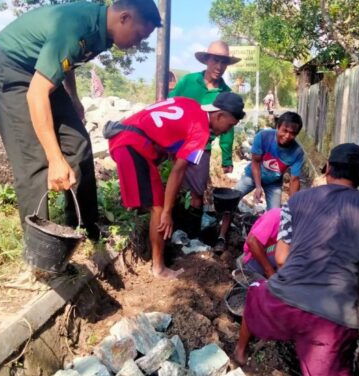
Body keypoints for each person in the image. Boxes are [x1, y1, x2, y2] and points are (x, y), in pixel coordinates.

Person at [0, 0, 160, 244]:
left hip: (40, 71)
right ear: (125, 17)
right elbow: (36, 94)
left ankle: (84, 229)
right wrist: (56, 159)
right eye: (140, 35)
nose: (137, 43)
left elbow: (69, 60)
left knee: (79, 145)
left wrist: (73, 97)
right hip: (10, 67)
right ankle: (40, 249)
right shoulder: (77, 27)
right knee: (34, 159)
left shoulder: (104, 35)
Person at [233, 143, 359, 376]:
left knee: (255, 293)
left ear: (328, 168)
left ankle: (240, 353)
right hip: (330, 320)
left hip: (281, 302)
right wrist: (349, 275)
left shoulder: (297, 200)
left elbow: (282, 259)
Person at [106, 93, 245, 279]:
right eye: (230, 126)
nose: (227, 131)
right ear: (219, 115)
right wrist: (168, 212)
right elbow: (178, 171)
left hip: (122, 136)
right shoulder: (201, 131)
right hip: (132, 145)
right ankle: (159, 268)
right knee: (159, 208)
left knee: (156, 200)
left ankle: (154, 243)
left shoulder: (189, 103)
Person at [168, 40, 241, 234]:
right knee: (171, 186)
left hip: (201, 148)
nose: (219, 67)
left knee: (197, 192)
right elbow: (170, 105)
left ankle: (191, 236)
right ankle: (171, 227)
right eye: (215, 60)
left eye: (223, 62)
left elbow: (229, 128)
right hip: (176, 143)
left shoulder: (225, 93)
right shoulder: (188, 82)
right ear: (207, 60)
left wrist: (226, 158)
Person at [214, 111, 305, 253]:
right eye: (284, 131)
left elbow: (294, 180)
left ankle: (267, 248)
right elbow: (256, 162)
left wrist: (293, 205)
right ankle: (221, 237)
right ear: (278, 127)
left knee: (275, 215)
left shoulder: (297, 152)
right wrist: (257, 186)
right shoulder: (263, 137)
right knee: (231, 200)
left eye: (292, 133)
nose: (287, 136)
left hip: (274, 183)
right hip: (252, 176)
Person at [240, 207, 281, 280]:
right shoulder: (276, 215)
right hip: (252, 260)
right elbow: (252, 241)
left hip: (269, 255)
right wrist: (270, 271)